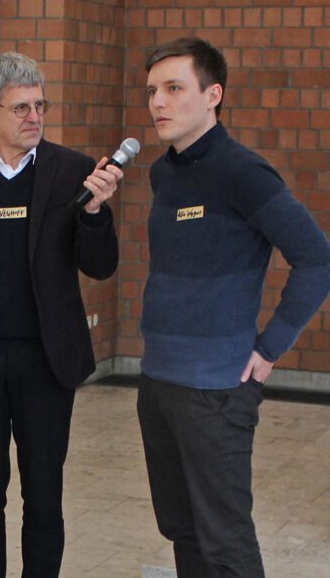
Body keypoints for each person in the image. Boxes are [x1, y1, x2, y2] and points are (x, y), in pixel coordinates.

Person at [0, 52, 124, 577]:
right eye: (21, 108)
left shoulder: (75, 171)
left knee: (44, 499)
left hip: (45, 364)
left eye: (40, 106)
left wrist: (97, 213)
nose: (34, 117)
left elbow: (100, 267)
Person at [138, 37, 330, 577]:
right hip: (157, 383)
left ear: (213, 94)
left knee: (224, 540)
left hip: (217, 391)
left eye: (174, 88)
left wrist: (269, 348)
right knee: (181, 529)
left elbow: (317, 260)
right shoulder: (164, 172)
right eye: (153, 90)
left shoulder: (243, 172)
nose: (158, 102)